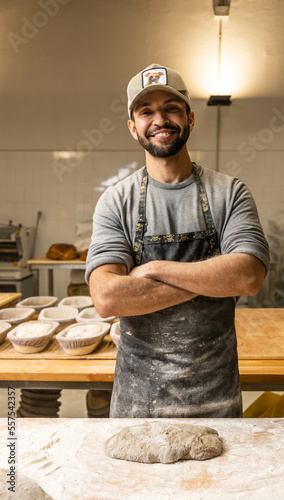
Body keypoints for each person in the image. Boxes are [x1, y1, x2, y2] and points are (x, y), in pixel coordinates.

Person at [86, 63, 270, 419]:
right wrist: (216, 280)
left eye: (171, 108)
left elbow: (248, 277)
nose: (160, 119)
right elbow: (107, 297)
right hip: (137, 404)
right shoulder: (116, 201)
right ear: (132, 127)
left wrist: (151, 269)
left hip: (216, 399)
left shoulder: (229, 193)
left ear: (190, 118)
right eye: (146, 111)